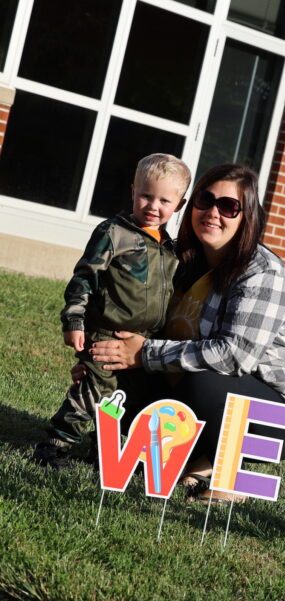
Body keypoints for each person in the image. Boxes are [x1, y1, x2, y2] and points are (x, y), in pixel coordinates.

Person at [87, 163, 285, 503]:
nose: (213, 212)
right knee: (122, 404)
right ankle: (198, 460)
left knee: (203, 377)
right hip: (192, 392)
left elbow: (234, 356)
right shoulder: (180, 259)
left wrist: (145, 354)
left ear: (247, 217)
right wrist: (98, 358)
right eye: (205, 200)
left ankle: (227, 471)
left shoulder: (262, 273)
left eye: (228, 206)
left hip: (277, 418)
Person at [34, 153, 191, 468]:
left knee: (125, 400)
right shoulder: (114, 233)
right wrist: (74, 321)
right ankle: (54, 445)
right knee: (91, 392)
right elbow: (84, 277)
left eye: (164, 200)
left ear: (179, 205)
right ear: (133, 191)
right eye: (146, 195)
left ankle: (105, 453)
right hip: (106, 333)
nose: (152, 206)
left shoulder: (170, 248)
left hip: (143, 342)